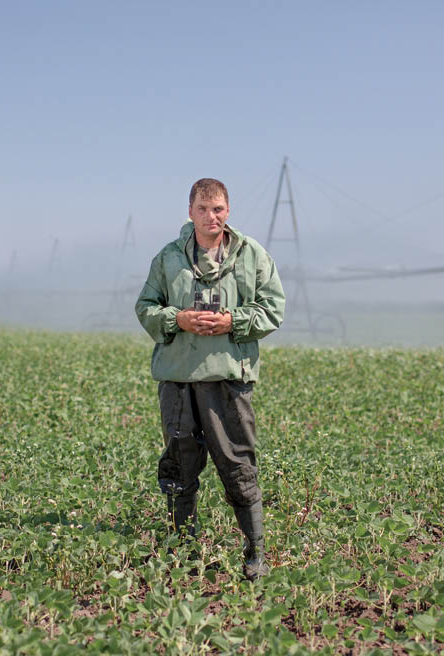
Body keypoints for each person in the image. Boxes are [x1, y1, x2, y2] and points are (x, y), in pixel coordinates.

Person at [135, 178, 286, 580]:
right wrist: (177, 318)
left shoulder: (252, 255)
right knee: (180, 463)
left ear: (228, 210)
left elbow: (273, 310)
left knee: (238, 462)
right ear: (190, 212)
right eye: (203, 209)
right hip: (178, 378)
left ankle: (255, 552)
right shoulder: (168, 258)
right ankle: (184, 550)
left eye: (218, 208)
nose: (211, 216)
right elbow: (146, 307)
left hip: (227, 380)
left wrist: (232, 321)